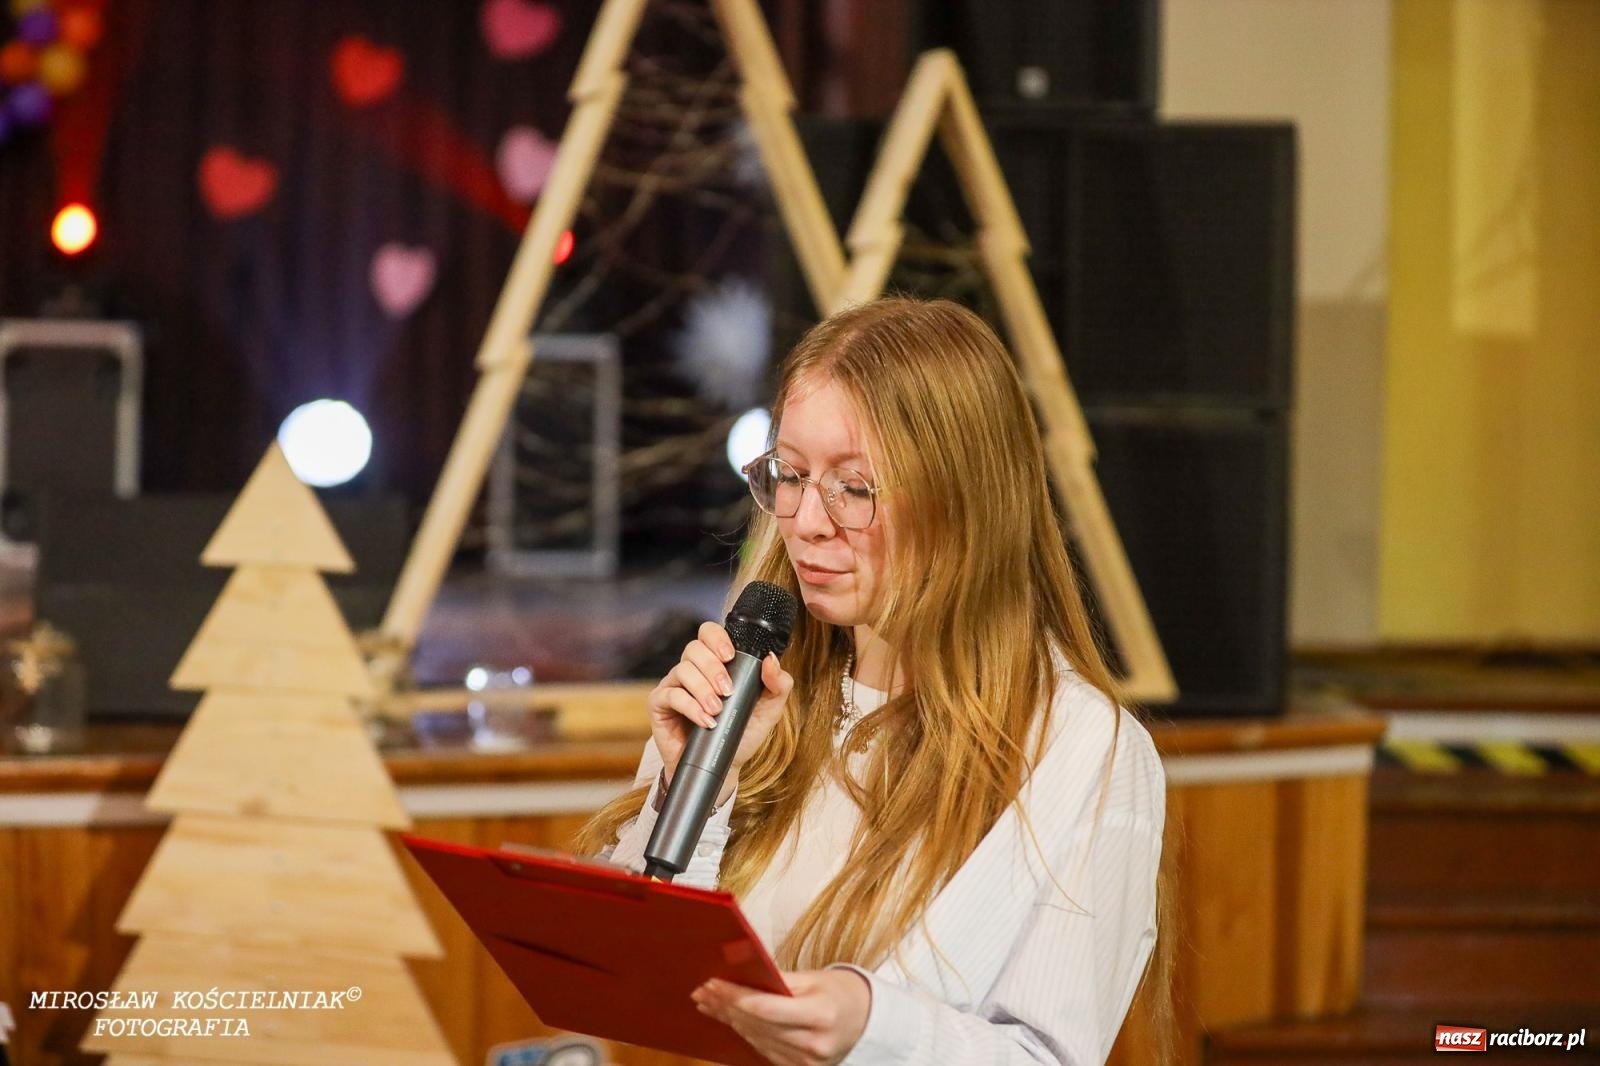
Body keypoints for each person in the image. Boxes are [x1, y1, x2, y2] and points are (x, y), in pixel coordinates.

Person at [574, 297, 1166, 1066]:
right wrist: (696, 787)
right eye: (790, 473)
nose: (805, 521)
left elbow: (1048, 1057)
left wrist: (873, 1024)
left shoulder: (1084, 747)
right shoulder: (748, 689)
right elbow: (640, 974)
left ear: (965, 500)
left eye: (854, 487)